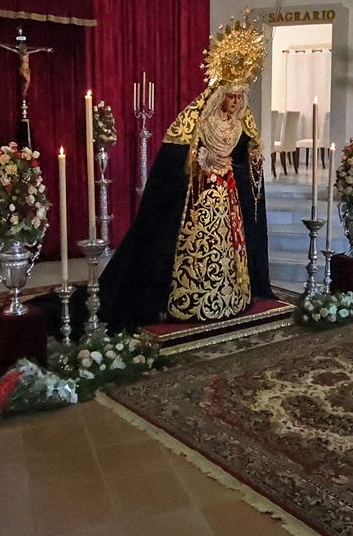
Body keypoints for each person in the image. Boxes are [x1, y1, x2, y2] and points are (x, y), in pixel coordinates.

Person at [100, 18, 273, 329]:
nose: (233, 102)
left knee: (229, 249)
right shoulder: (195, 119)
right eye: (229, 96)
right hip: (199, 200)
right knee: (195, 250)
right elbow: (177, 158)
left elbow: (248, 161)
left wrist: (251, 156)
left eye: (239, 96)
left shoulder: (242, 124)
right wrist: (202, 160)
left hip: (227, 198)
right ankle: (188, 298)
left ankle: (230, 295)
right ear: (219, 94)